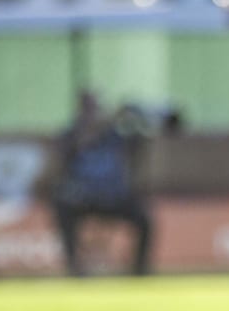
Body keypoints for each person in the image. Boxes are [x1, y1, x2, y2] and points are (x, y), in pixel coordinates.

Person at [50, 90, 154, 276]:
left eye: (95, 108)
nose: (93, 113)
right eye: (88, 108)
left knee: (144, 218)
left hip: (113, 197)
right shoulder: (72, 134)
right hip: (84, 198)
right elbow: (62, 160)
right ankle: (73, 268)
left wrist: (132, 118)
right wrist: (89, 133)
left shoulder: (114, 135)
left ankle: (140, 270)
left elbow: (139, 146)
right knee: (62, 206)